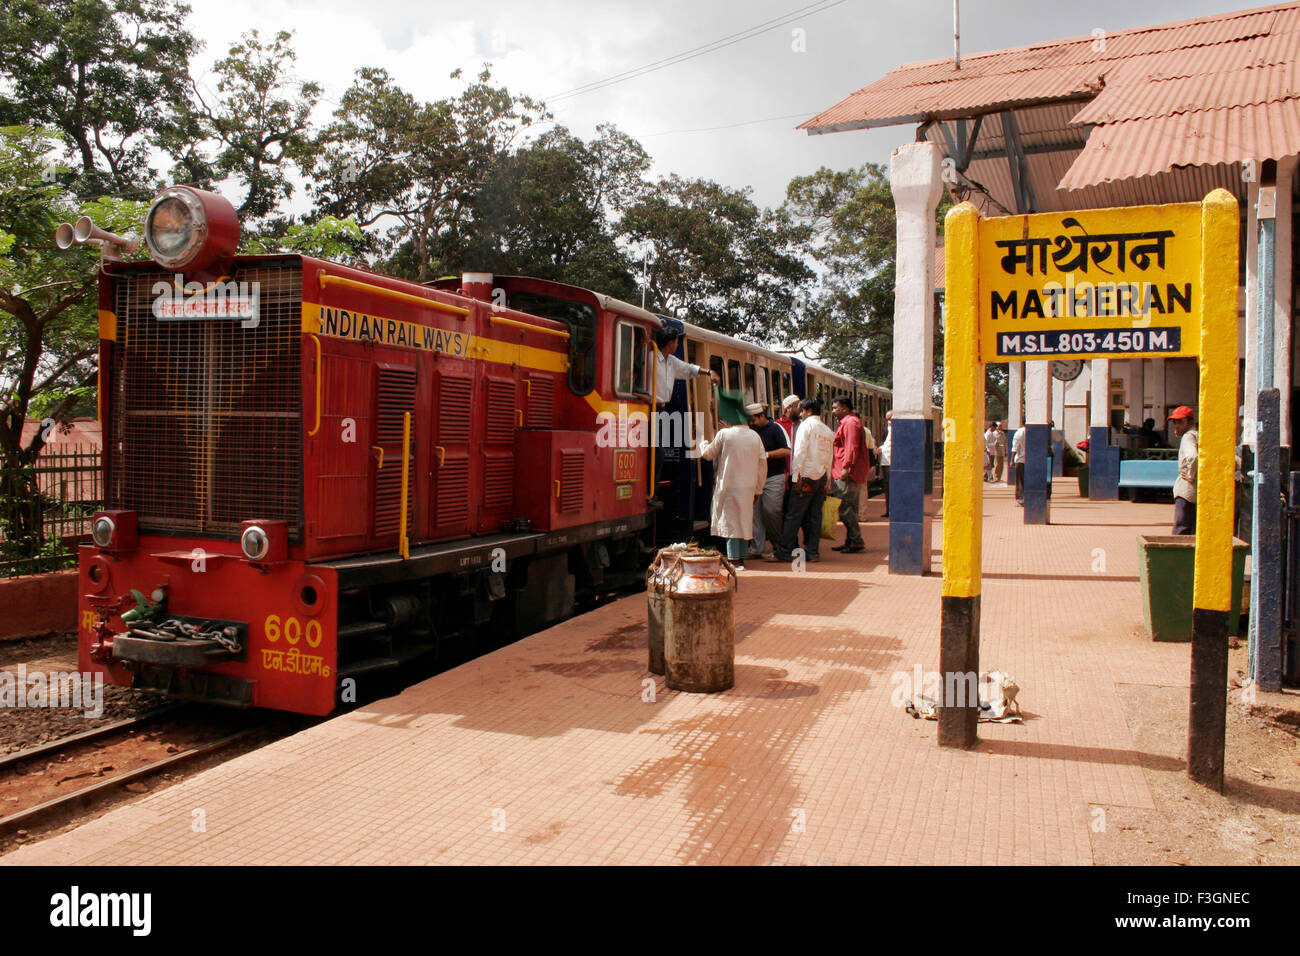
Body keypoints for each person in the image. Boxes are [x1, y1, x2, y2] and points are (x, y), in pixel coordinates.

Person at [650, 327, 715, 505]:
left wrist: (708, 372)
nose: (677, 344)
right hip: (649, 408)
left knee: (660, 451)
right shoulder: (650, 358)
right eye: (676, 342)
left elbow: (689, 368)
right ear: (670, 343)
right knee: (657, 451)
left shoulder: (671, 362)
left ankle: (653, 491)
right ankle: (651, 493)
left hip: (662, 409)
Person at [697, 416, 767, 570]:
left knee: (731, 522)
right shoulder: (755, 437)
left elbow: (708, 454)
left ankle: (733, 560)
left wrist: (702, 442)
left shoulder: (724, 434)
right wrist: (758, 489)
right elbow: (762, 465)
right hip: (749, 485)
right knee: (743, 520)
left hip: (729, 485)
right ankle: (741, 558)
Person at [769, 398, 833, 563]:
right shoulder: (827, 430)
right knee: (814, 516)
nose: (801, 414)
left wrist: (796, 477)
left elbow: (799, 453)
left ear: (809, 411)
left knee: (793, 515)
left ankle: (784, 551)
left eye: (802, 411)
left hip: (805, 477)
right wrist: (828, 480)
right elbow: (829, 457)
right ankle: (813, 552)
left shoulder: (806, 426)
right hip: (820, 477)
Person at [746, 403, 791, 559]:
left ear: (762, 416)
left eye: (754, 420)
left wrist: (767, 455)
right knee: (755, 514)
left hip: (773, 477)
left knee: (771, 511)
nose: (751, 423)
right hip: (755, 477)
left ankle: (780, 546)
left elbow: (786, 450)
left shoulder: (776, 428)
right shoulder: (751, 430)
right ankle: (757, 548)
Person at [830, 395, 869, 553]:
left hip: (847, 472)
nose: (833, 411)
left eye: (835, 408)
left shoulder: (850, 423)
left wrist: (846, 467)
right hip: (846, 470)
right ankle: (850, 541)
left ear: (845, 408)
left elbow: (851, 446)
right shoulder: (848, 422)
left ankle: (856, 540)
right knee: (849, 507)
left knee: (844, 507)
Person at [1169, 405, 1198, 535]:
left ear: (1190, 422)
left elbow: (1192, 456)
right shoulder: (1198, 435)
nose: (1177, 425)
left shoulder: (1188, 436)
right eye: (1175, 422)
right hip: (1195, 492)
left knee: (1181, 529)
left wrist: (1191, 475)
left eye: (1180, 422)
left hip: (1186, 491)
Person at [879, 411, 892, 517]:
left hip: (890, 461)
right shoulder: (889, 430)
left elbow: (889, 445)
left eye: (891, 419)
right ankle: (888, 510)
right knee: (887, 487)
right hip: (886, 461)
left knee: (890, 487)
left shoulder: (895, 430)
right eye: (887, 419)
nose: (889, 422)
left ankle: (890, 510)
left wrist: (880, 449)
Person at [1011, 423, 1026, 504]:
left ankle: (1020, 498)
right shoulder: (1032, 432)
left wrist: (1011, 460)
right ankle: (1023, 497)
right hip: (1029, 460)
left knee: (1019, 480)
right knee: (1025, 480)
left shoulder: (1019, 432)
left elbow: (1015, 447)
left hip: (1020, 460)